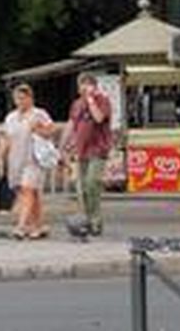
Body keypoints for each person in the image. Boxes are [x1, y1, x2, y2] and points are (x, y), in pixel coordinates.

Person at [0, 82, 57, 240]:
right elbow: (6, 139)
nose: (20, 101)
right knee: (30, 193)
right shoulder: (11, 117)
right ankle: (37, 226)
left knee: (28, 189)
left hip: (33, 158)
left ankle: (21, 226)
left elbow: (51, 131)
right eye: (17, 98)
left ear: (30, 98)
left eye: (23, 98)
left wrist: (38, 130)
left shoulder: (38, 114)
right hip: (16, 159)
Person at [62, 71, 114, 235]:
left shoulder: (103, 101)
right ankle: (87, 220)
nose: (84, 88)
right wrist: (63, 145)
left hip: (98, 149)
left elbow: (99, 118)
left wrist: (91, 100)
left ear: (94, 86)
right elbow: (71, 124)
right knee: (82, 188)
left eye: (88, 84)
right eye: (81, 85)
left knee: (92, 183)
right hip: (81, 150)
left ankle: (96, 220)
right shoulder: (76, 104)